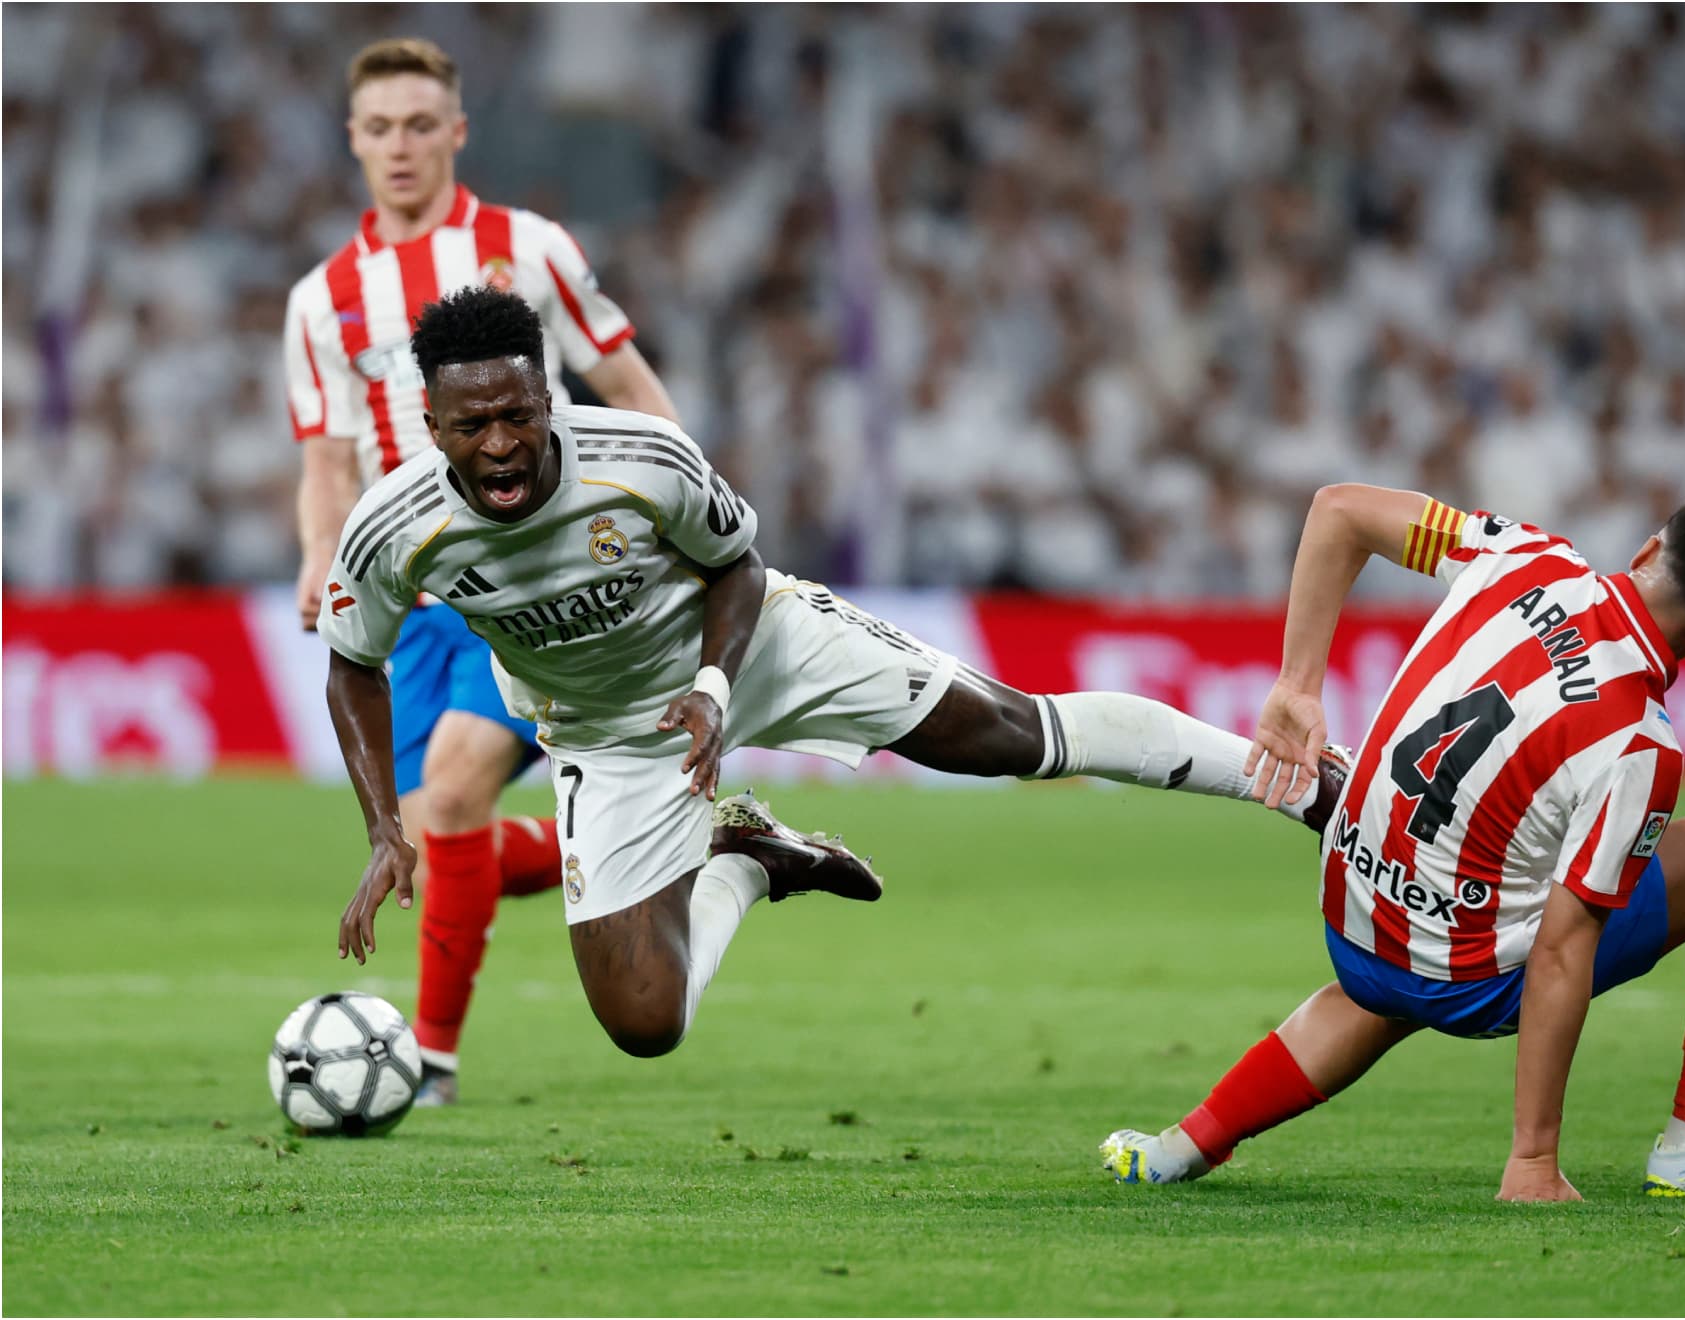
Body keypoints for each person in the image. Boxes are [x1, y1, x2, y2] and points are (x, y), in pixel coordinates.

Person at [317, 285, 1342, 1065]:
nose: (500, 445)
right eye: (471, 425)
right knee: (643, 1026)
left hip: (749, 649)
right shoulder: (397, 531)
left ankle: (1295, 780)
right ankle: (750, 861)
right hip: (608, 734)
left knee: (1006, 736)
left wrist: (717, 690)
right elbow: (353, 667)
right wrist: (380, 828)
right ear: (430, 423)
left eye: (517, 414)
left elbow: (735, 567)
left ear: (549, 397)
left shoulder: (644, 457)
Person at [1100, 483, 1685, 1200]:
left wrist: (1298, 684)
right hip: (1465, 981)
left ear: (1651, 546)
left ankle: (1186, 1143)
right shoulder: (1638, 745)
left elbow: (1339, 510)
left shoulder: (1529, 557)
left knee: (1440, 920)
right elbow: (1561, 949)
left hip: (1352, 910)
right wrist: (1533, 1158)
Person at [283, 38, 680, 1104]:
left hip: (531, 573)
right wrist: (321, 556)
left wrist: (669, 519)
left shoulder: (527, 247)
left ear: (457, 132)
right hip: (406, 594)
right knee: (429, 841)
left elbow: (636, 390)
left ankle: (429, 1059)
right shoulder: (323, 300)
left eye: (421, 125)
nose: (400, 146)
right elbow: (325, 459)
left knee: (452, 792)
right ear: (354, 141)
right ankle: (671, 833)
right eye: (379, 128)